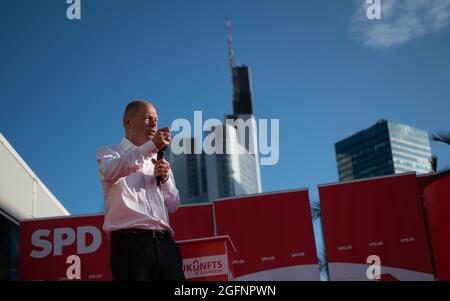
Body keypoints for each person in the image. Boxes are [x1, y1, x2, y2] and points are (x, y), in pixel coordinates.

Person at [96, 100, 184, 281]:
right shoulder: (109, 153)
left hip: (165, 244)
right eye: (147, 118)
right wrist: (150, 146)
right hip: (130, 246)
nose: (154, 124)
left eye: (156, 120)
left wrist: (166, 179)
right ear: (127, 122)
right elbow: (112, 170)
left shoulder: (159, 161)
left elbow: (174, 204)